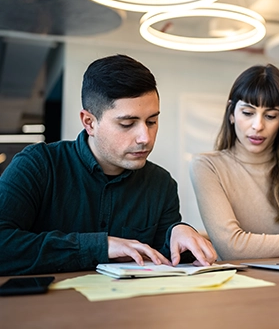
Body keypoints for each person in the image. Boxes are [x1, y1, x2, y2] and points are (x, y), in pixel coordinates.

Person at [0, 54, 216, 275]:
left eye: (152, 121)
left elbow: (164, 260)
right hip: (48, 307)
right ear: (89, 122)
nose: (145, 137)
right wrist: (102, 246)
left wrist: (179, 233)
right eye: (127, 124)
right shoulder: (38, 165)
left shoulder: (161, 184)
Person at [190, 64, 279, 261]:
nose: (258, 126)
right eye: (247, 113)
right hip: (238, 282)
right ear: (231, 114)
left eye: (270, 116)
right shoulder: (206, 166)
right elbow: (232, 247)